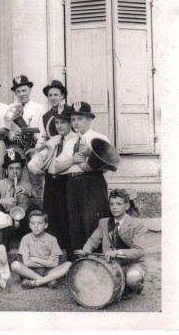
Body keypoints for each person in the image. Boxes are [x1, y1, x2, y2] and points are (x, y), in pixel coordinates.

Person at [55, 101, 111, 258]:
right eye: (72, 119)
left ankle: (98, 261)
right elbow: (57, 168)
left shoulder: (99, 138)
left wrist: (90, 152)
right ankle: (77, 264)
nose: (75, 123)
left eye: (79, 119)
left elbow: (108, 166)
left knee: (94, 222)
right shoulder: (71, 142)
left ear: (89, 119)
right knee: (75, 224)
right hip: (72, 183)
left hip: (93, 182)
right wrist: (72, 160)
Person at [75, 189, 147, 299]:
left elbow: (139, 251)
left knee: (132, 278)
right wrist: (85, 251)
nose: (114, 207)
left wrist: (119, 252)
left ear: (127, 206)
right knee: (85, 278)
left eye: (118, 204)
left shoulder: (137, 224)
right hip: (109, 265)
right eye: (111, 204)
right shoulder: (104, 222)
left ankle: (134, 286)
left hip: (131, 264)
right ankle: (117, 284)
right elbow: (93, 240)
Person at [40, 103, 76, 259]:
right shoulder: (54, 139)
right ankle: (52, 258)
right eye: (56, 122)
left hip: (65, 181)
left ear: (71, 123)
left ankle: (69, 257)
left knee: (66, 219)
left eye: (63, 122)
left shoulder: (76, 140)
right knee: (50, 218)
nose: (59, 126)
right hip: (50, 181)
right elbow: (41, 159)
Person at [10, 210, 72, 289]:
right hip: (30, 271)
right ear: (30, 225)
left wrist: (35, 259)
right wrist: (47, 261)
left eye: (39, 223)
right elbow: (26, 263)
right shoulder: (25, 239)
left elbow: (54, 264)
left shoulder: (52, 239)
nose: (36, 226)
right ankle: (47, 281)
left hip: (49, 271)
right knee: (15, 265)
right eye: (33, 223)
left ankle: (37, 282)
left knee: (68, 264)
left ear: (45, 225)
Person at [8, 75, 45, 199]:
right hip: (19, 149)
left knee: (36, 181)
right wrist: (13, 135)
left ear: (30, 90)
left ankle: (37, 208)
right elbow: (7, 131)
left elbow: (43, 131)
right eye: (18, 91)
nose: (21, 94)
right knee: (19, 179)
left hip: (34, 149)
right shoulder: (11, 108)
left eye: (24, 90)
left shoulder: (39, 108)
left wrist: (27, 131)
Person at [0, 148, 34, 243]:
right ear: (7, 171)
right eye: (11, 168)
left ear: (21, 170)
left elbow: (40, 205)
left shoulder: (27, 184)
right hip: (6, 224)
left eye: (18, 168)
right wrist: (4, 201)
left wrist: (28, 193)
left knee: (33, 208)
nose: (15, 171)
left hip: (23, 223)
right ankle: (3, 247)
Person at [37, 80, 68, 147]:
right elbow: (43, 138)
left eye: (56, 95)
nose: (53, 98)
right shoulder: (45, 117)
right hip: (52, 150)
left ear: (62, 96)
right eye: (50, 95)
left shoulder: (71, 111)